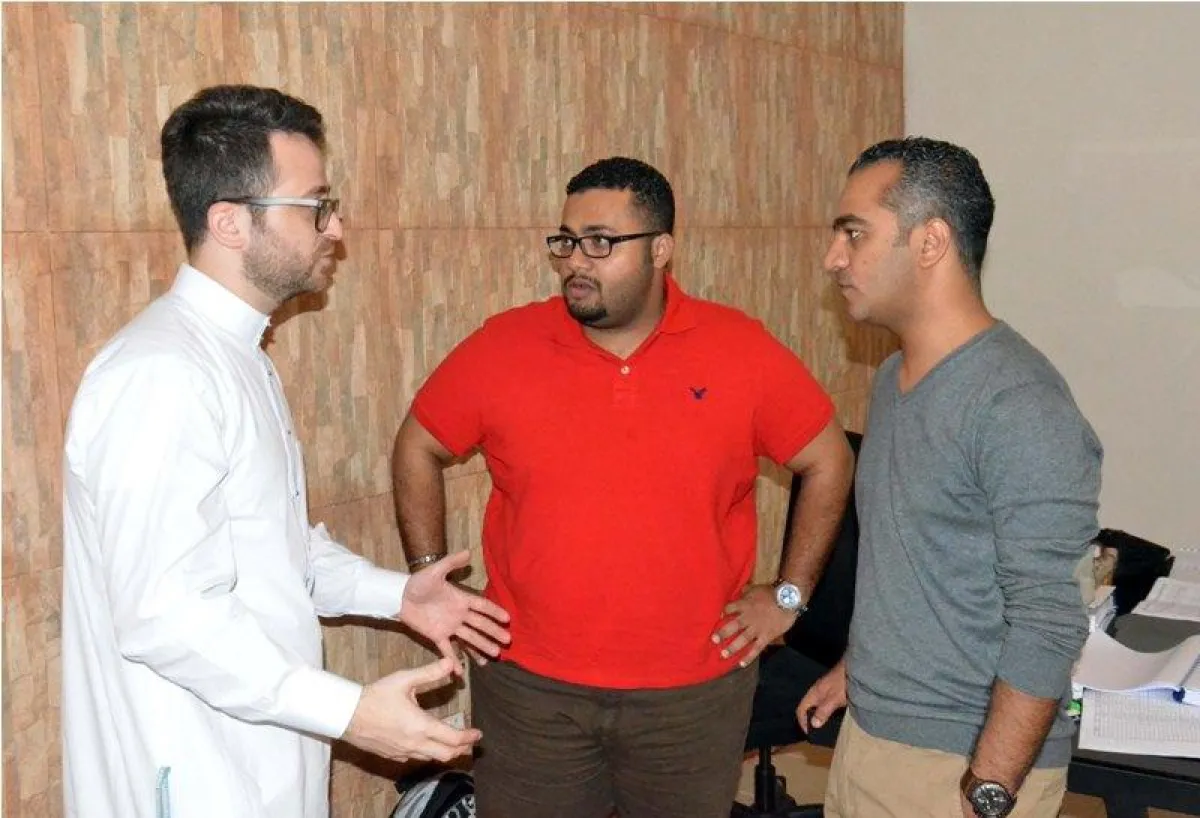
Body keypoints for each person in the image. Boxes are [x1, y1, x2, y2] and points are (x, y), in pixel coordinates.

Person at [60, 85, 511, 818]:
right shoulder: (161, 374)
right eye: (315, 206)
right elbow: (164, 613)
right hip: (190, 773)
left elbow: (269, 552)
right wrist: (348, 711)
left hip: (261, 766)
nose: (336, 228)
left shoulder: (236, 356)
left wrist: (396, 595)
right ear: (230, 222)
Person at [392, 156, 854, 818]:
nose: (576, 262)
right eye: (566, 241)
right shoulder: (506, 345)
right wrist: (429, 575)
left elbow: (829, 459)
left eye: (601, 242)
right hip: (531, 693)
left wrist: (789, 595)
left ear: (661, 250)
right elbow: (418, 445)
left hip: (690, 699)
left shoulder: (739, 349)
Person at [798, 137, 1103, 818]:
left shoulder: (1019, 403)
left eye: (854, 233)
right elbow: (916, 562)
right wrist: (859, 667)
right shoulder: (891, 378)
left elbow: (1050, 618)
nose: (833, 258)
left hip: (961, 764)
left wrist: (988, 787)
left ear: (930, 241)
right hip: (872, 740)